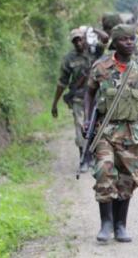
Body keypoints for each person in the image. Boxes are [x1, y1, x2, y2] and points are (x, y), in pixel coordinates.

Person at [83, 24, 138, 243]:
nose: (129, 42)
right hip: (105, 131)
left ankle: (120, 225)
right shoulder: (101, 67)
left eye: (132, 39)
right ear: (114, 43)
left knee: (126, 179)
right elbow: (89, 94)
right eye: (124, 39)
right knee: (104, 172)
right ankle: (105, 224)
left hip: (130, 132)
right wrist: (87, 120)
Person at [51, 28, 91, 172]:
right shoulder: (69, 59)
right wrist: (54, 103)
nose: (79, 43)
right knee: (81, 127)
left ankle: (95, 155)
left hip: (97, 98)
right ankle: (83, 158)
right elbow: (62, 82)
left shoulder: (94, 52)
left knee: (98, 127)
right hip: (79, 98)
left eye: (81, 39)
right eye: (75, 41)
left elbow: (107, 41)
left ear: (85, 38)